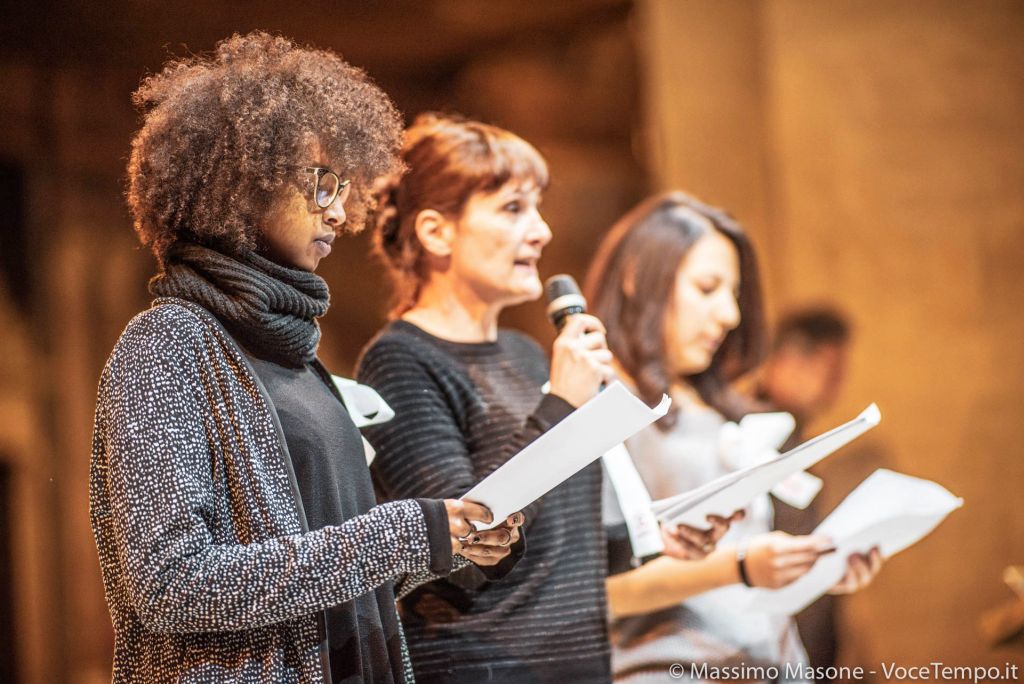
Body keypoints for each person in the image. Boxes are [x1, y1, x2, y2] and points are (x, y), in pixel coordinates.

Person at [89, 33, 520, 683]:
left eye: (344, 186)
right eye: (321, 182)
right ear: (240, 182)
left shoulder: (298, 361)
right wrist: (403, 531)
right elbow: (172, 586)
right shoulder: (167, 345)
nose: (342, 210)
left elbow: (328, 574)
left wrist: (446, 546)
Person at [355, 115, 727, 682]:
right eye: (512, 209)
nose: (541, 230)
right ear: (437, 233)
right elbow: (468, 553)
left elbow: (547, 541)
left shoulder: (527, 355)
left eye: (537, 207)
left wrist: (650, 538)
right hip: (480, 668)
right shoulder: (399, 361)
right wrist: (562, 405)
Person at [586, 192, 883, 682]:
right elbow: (597, 588)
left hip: (771, 661)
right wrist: (739, 567)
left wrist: (818, 567)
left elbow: (752, 558)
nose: (729, 314)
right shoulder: (600, 400)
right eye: (707, 289)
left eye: (734, 295)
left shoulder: (720, 407)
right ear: (638, 276)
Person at [755, 308, 852, 678]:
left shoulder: (798, 441)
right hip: (766, 650)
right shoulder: (752, 436)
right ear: (788, 360)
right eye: (829, 369)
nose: (835, 384)